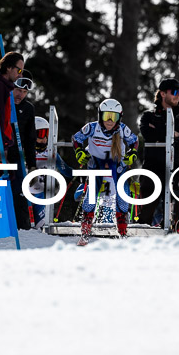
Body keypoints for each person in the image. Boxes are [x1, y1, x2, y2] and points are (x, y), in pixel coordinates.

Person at [72, 99, 139, 246]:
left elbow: (134, 140)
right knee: (90, 199)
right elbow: (76, 138)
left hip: (117, 165)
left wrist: (132, 153)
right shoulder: (92, 127)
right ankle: (85, 233)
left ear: (119, 118)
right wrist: (79, 152)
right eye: (106, 116)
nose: (109, 120)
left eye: (113, 117)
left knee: (122, 199)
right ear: (100, 116)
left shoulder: (122, 129)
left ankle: (122, 232)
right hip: (96, 164)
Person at [138, 78, 179, 228]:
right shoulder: (148, 116)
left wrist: (161, 132)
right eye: (174, 92)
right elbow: (148, 135)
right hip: (153, 168)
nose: (178, 95)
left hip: (177, 169)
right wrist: (173, 134)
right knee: (146, 213)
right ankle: (138, 243)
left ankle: (176, 242)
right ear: (162, 94)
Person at [28, 116, 74, 229]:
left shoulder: (51, 152)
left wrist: (79, 173)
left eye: (46, 134)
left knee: (41, 228)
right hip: (24, 195)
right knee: (25, 227)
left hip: (40, 197)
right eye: (40, 134)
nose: (44, 139)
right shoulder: (24, 151)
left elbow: (65, 170)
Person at [7, 75, 38, 230]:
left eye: (24, 92)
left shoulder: (28, 108)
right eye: (17, 90)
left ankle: (22, 227)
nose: (20, 95)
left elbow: (30, 139)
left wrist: (32, 165)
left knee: (19, 191)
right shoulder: (0, 101)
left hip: (16, 156)